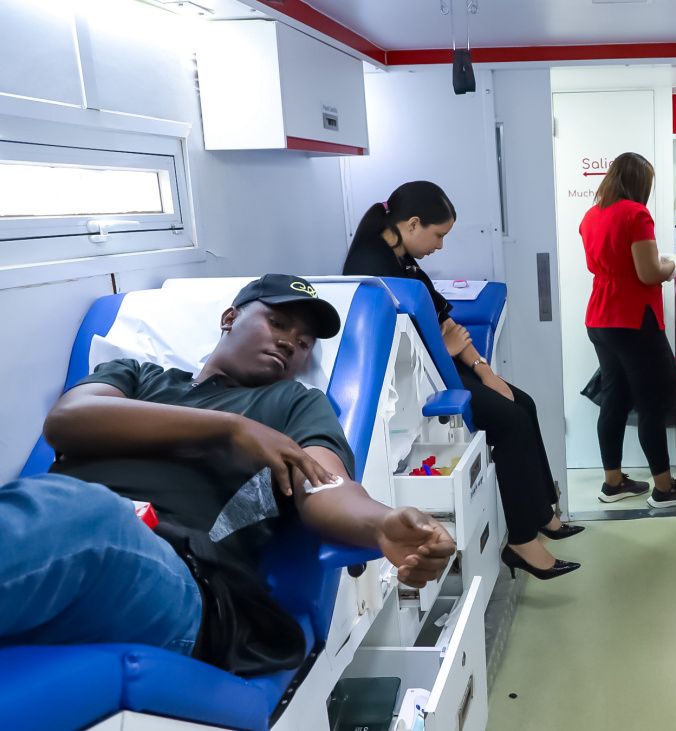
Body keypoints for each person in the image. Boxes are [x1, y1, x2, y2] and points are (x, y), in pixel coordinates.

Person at [0, 274, 457, 675]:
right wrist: (230, 429)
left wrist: (380, 523)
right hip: (60, 533)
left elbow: (326, 484)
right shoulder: (137, 376)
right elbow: (68, 421)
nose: (290, 343)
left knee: (91, 516)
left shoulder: (294, 404)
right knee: (70, 511)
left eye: (304, 343)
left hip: (175, 573)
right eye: (277, 323)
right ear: (229, 318)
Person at [343, 181, 580, 581]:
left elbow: (445, 323)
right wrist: (447, 347)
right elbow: (404, 346)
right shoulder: (372, 268)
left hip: (442, 365)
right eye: (438, 235)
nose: (440, 246)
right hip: (421, 380)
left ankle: (543, 514)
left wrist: (485, 370)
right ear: (413, 224)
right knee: (510, 421)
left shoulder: (404, 260)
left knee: (523, 403)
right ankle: (522, 542)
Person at [580, 152, 676, 509]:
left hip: (599, 318)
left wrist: (657, 263)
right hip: (633, 320)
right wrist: (672, 266)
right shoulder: (636, 214)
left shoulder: (591, 216)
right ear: (640, 183)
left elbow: (615, 263)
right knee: (651, 401)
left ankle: (613, 482)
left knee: (614, 398)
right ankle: (664, 489)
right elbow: (648, 273)